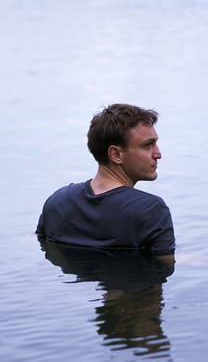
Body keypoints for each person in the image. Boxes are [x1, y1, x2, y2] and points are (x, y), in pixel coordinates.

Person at [36, 104, 176, 265]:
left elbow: (43, 244)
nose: (158, 154)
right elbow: (164, 266)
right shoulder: (151, 210)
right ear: (116, 154)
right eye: (147, 145)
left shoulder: (58, 201)